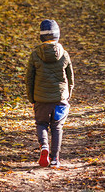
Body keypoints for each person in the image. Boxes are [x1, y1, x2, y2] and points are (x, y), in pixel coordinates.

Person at [25, 19, 74, 168]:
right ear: (58, 36)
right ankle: (55, 159)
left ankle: (44, 146)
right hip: (60, 99)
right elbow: (71, 78)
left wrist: (31, 98)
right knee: (57, 127)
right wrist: (68, 94)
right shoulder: (64, 55)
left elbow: (29, 79)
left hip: (40, 99)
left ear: (41, 37)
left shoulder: (34, 55)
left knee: (41, 124)